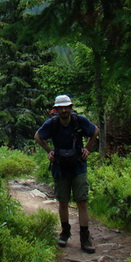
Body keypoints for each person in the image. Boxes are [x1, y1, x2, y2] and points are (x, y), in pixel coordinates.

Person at [34, 94, 99, 253]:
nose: (64, 110)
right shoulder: (53, 123)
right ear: (56, 110)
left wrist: (87, 149)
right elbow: (37, 136)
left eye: (66, 107)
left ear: (70, 107)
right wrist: (50, 152)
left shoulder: (79, 121)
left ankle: (85, 237)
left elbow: (95, 131)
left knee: (81, 201)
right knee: (63, 202)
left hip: (78, 166)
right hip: (60, 167)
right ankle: (65, 232)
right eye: (61, 108)